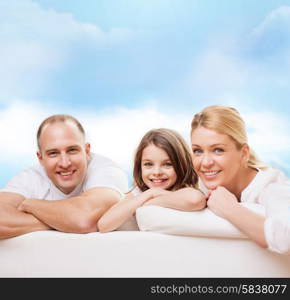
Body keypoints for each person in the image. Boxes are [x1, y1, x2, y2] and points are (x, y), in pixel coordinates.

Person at [0, 114, 128, 239]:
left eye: (72, 150)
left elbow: (84, 220)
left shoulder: (107, 171)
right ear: (41, 158)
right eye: (53, 153)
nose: (65, 163)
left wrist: (30, 204)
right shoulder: (29, 177)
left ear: (87, 151)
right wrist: (65, 221)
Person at [190, 105, 290, 254]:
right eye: (198, 151)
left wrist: (229, 208)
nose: (205, 163)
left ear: (244, 153)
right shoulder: (198, 184)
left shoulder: (271, 186)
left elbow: (285, 237)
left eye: (218, 150)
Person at [98, 128, 206, 232]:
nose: (157, 172)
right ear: (139, 166)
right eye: (148, 164)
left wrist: (151, 200)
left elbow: (195, 200)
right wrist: (150, 193)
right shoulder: (140, 193)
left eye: (167, 164)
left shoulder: (186, 188)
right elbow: (104, 225)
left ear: (182, 164)